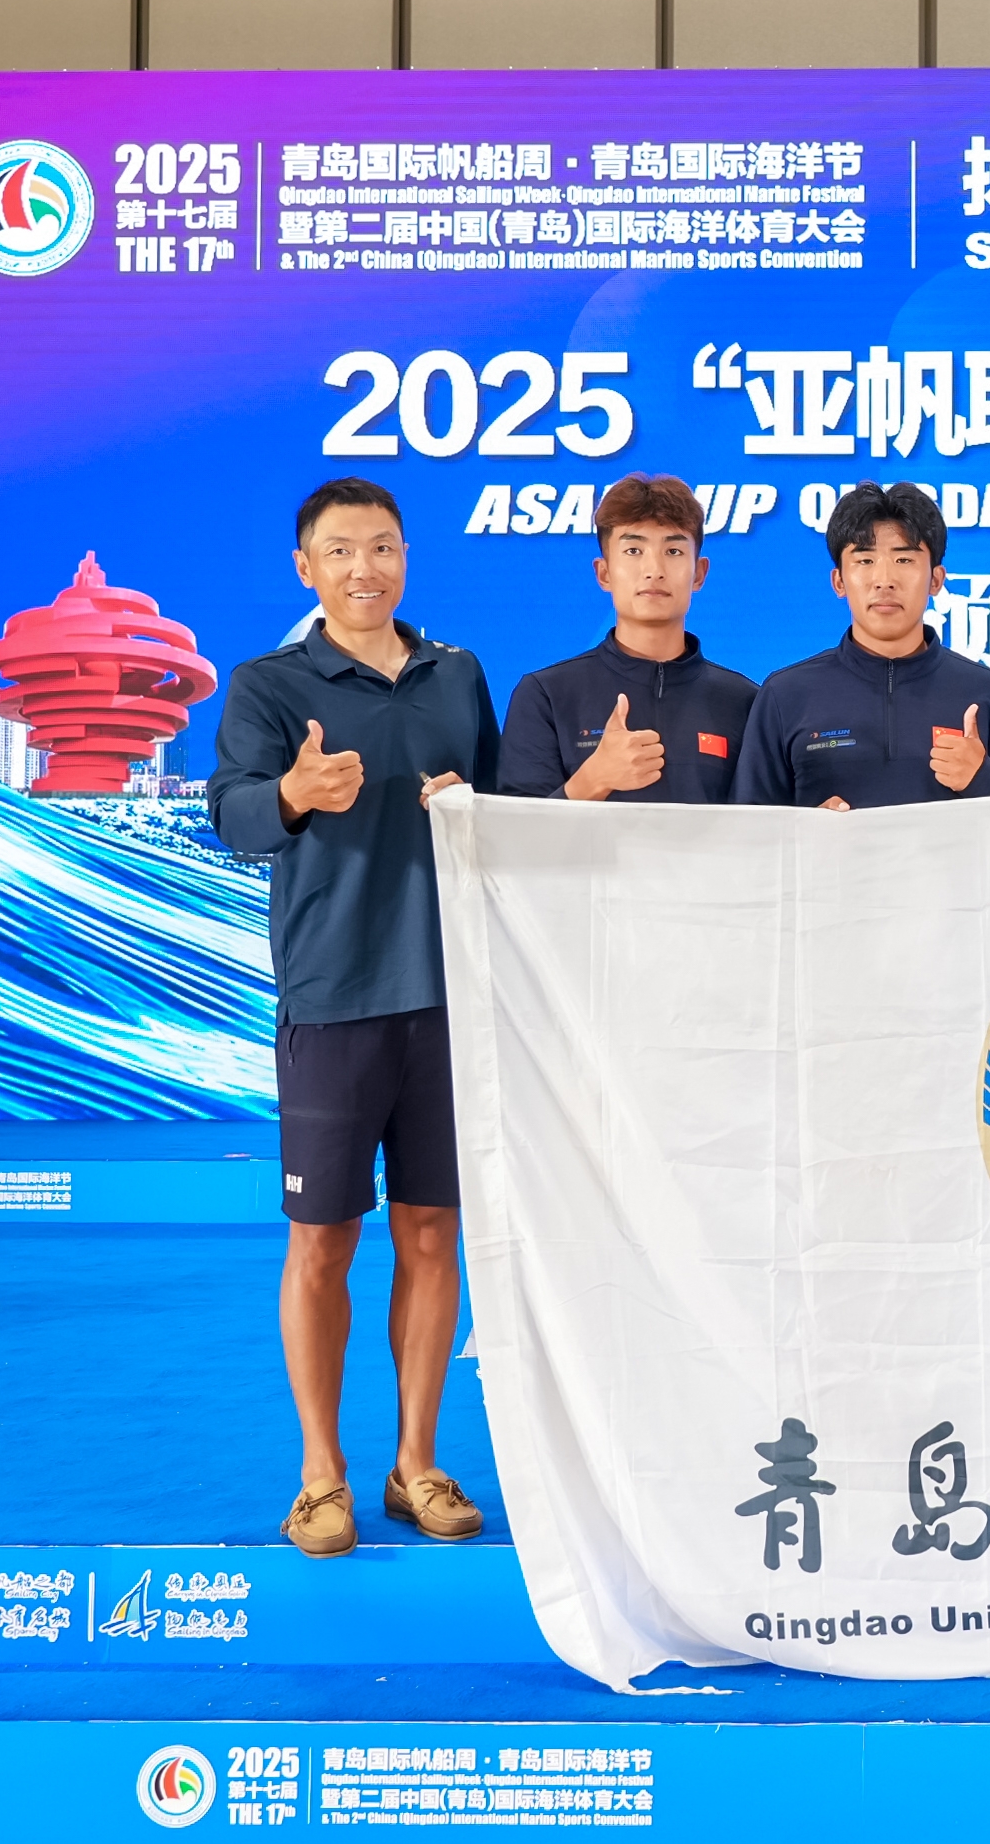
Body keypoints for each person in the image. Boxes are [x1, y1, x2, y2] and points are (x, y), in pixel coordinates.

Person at [206, 476, 503, 1560]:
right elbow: (231, 813)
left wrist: (475, 805)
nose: (363, 568)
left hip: (452, 997)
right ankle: (319, 1473)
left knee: (432, 1232)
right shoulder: (270, 683)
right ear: (306, 567)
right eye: (340, 550)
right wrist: (294, 793)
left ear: (405, 557)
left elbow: (507, 811)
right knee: (322, 1238)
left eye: (381, 546)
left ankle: (416, 1461)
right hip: (332, 997)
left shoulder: (457, 674)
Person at [733, 481, 990, 809]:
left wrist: (983, 779)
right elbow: (749, 828)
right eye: (865, 561)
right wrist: (806, 828)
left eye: (904, 560)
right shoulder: (786, 695)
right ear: (839, 581)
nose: (885, 580)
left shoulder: (986, 693)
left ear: (936, 580)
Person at [498, 475, 756, 804]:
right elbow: (515, 829)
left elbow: (767, 825)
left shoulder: (746, 702)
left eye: (674, 550)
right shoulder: (546, 694)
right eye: (633, 550)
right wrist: (593, 779)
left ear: (699, 573)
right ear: (604, 573)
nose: (654, 569)